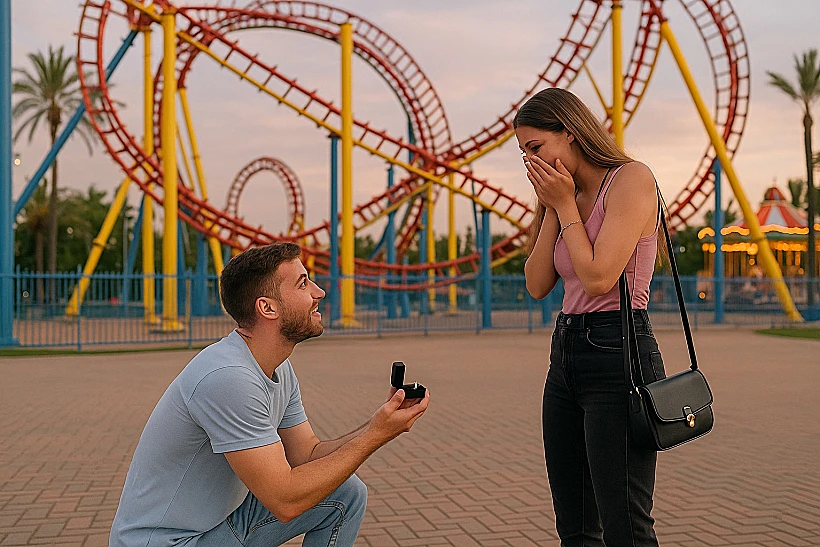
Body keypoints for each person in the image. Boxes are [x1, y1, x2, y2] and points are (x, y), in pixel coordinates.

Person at [109, 242, 430, 547]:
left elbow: (306, 455)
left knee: (345, 493)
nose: (319, 292)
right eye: (303, 284)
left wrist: (379, 424)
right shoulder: (229, 377)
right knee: (323, 492)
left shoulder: (275, 367)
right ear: (267, 307)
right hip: (171, 542)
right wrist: (375, 436)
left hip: (213, 528)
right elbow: (285, 501)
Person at [516, 88, 666, 546]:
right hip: (566, 355)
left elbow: (600, 276)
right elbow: (538, 283)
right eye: (524, 152)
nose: (529, 161)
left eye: (536, 147)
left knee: (625, 525)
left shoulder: (630, 180)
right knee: (576, 525)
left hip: (618, 352)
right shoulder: (566, 197)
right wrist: (554, 205)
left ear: (571, 133)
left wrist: (565, 207)